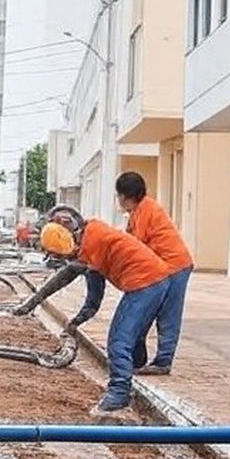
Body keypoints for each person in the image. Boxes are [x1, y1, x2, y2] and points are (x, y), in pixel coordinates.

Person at [38, 205, 173, 414]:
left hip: (146, 283)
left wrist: (33, 303)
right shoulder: (92, 236)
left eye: (66, 255)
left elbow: (67, 279)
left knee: (118, 342)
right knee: (132, 338)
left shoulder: (92, 244)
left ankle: (118, 394)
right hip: (157, 280)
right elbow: (94, 301)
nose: (68, 259)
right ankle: (134, 370)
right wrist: (76, 322)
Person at [115, 172, 194, 375]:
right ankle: (140, 358)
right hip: (163, 267)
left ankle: (163, 361)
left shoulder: (145, 212)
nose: (118, 200)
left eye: (119, 196)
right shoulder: (139, 211)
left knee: (167, 314)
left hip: (175, 266)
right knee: (149, 312)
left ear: (124, 196)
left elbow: (136, 248)